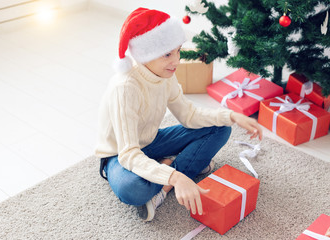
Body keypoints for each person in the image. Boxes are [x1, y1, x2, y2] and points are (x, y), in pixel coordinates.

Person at [95, 7, 262, 222]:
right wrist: (177, 176)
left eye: (178, 51)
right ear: (146, 55)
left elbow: (189, 115)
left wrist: (231, 116)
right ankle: (175, 168)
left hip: (150, 140)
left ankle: (163, 185)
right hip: (119, 153)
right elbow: (128, 154)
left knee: (221, 128)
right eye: (167, 54)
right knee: (133, 190)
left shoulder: (164, 73)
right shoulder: (126, 87)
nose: (177, 61)